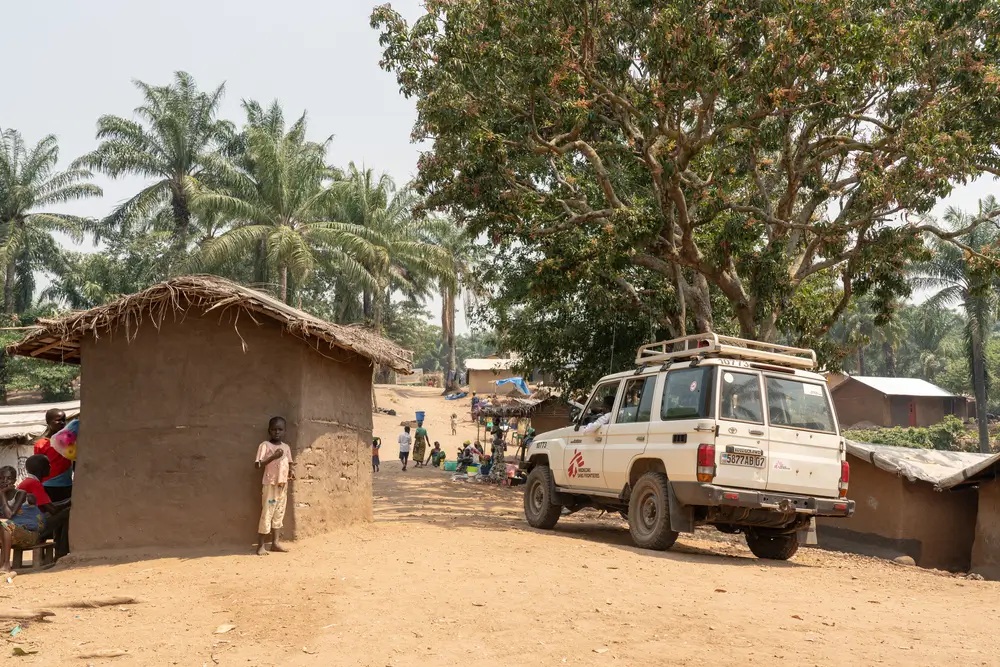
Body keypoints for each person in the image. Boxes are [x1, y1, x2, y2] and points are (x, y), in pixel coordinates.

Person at [254, 417, 294, 556]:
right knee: (267, 512)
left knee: (279, 513)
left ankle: (275, 543)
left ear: (284, 431)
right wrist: (273, 457)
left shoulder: (286, 447)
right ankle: (260, 546)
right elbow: (257, 465)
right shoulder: (265, 445)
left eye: (280, 429)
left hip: (282, 485)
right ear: (269, 430)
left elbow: (289, 463)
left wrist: (291, 472)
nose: (277, 432)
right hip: (270, 485)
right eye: (274, 429)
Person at [18, 455, 70, 559]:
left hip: (24, 524)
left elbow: (47, 506)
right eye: (48, 465)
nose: (51, 467)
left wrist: (67, 501)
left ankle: (59, 550)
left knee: (63, 512)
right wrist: (69, 503)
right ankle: (62, 552)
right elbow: (52, 510)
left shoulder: (27, 482)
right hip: (31, 527)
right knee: (67, 513)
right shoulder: (34, 484)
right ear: (41, 469)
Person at [33, 409, 73, 503]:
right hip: (48, 486)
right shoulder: (42, 444)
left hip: (67, 484)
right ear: (48, 422)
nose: (62, 423)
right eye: (58, 420)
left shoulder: (69, 442)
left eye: (64, 420)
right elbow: (37, 468)